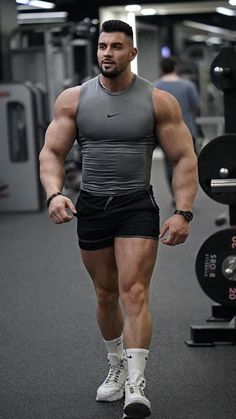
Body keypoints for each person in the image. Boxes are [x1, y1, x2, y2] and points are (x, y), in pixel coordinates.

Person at [39, 20, 198, 418]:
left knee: (135, 292)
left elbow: (183, 158)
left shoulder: (158, 100)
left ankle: (136, 383)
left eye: (115, 46)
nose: (107, 53)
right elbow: (52, 154)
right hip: (91, 206)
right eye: (102, 46)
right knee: (106, 293)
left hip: (136, 206)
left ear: (132, 53)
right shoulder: (73, 100)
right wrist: (55, 193)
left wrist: (182, 212)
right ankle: (116, 363)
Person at [155, 56, 200, 199]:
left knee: (170, 164)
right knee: (187, 163)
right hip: (187, 130)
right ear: (176, 67)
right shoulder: (188, 85)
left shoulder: (155, 87)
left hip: (165, 134)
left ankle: (174, 195)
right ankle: (186, 196)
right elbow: (196, 106)